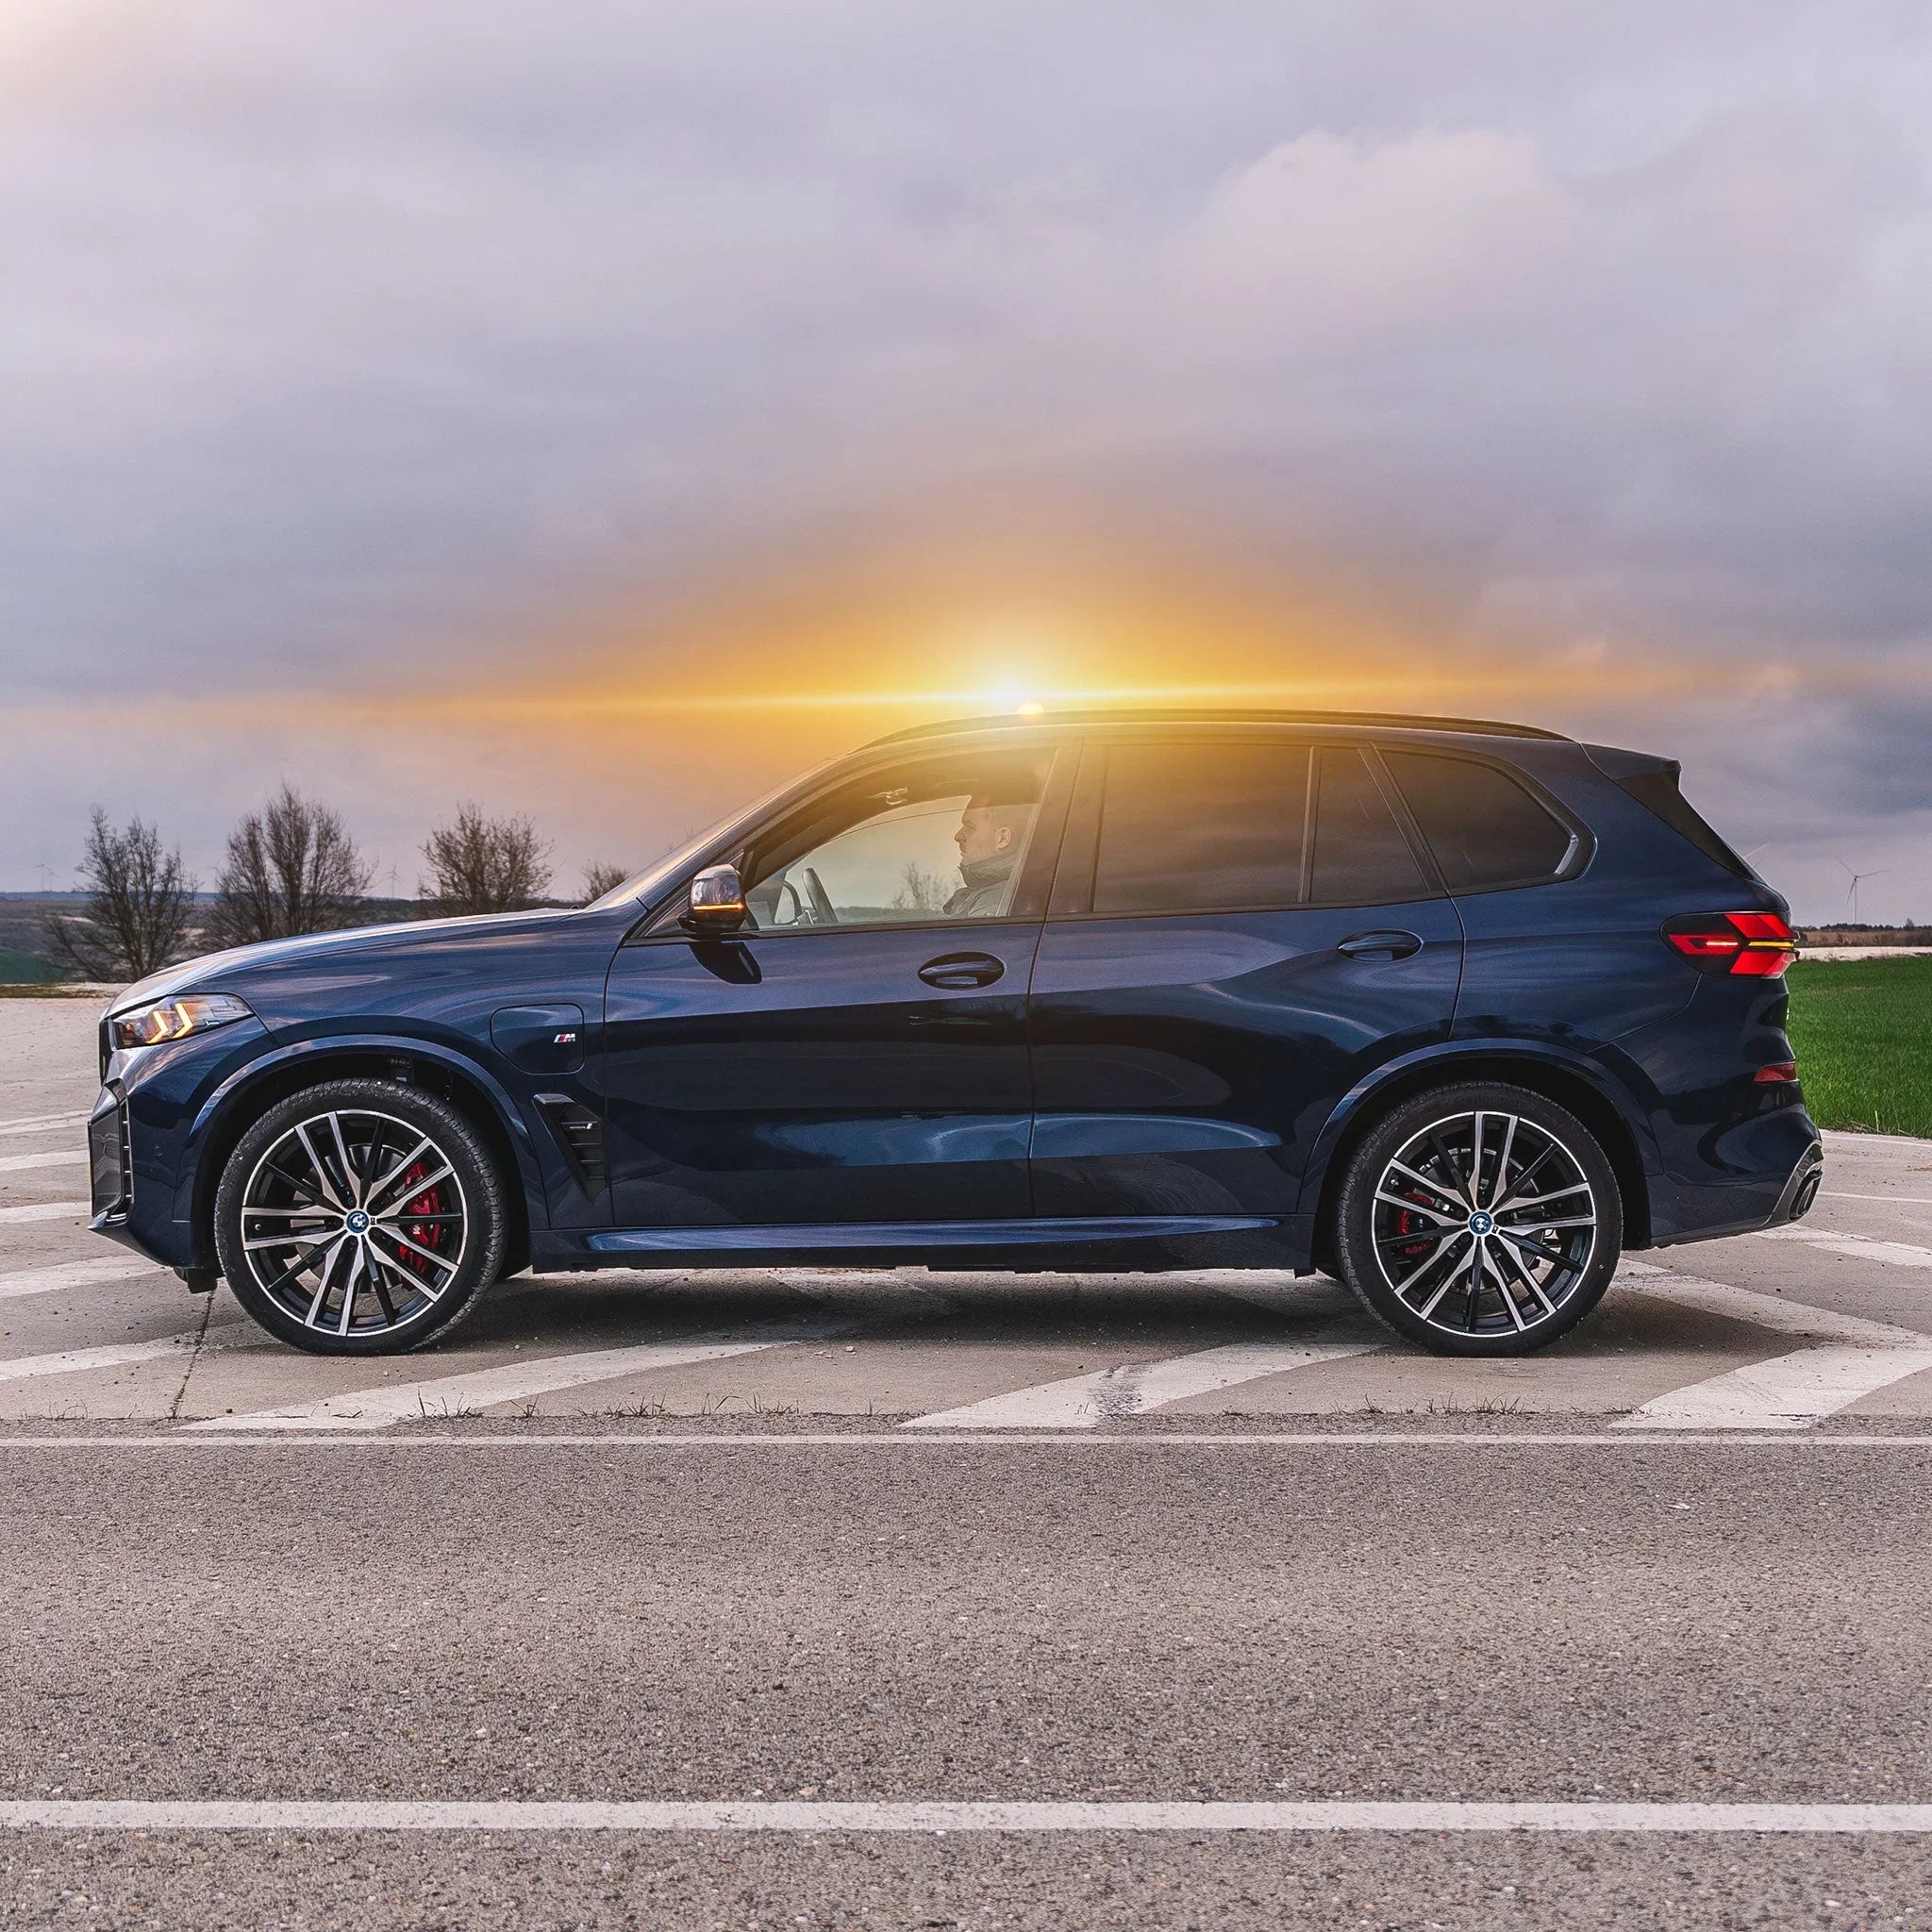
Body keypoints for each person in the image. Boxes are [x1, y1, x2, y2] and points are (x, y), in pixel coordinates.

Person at [944, 793, 1036, 917]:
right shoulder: (998, 894)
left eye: (970, 827)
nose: (958, 836)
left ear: (1002, 838)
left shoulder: (994, 903)